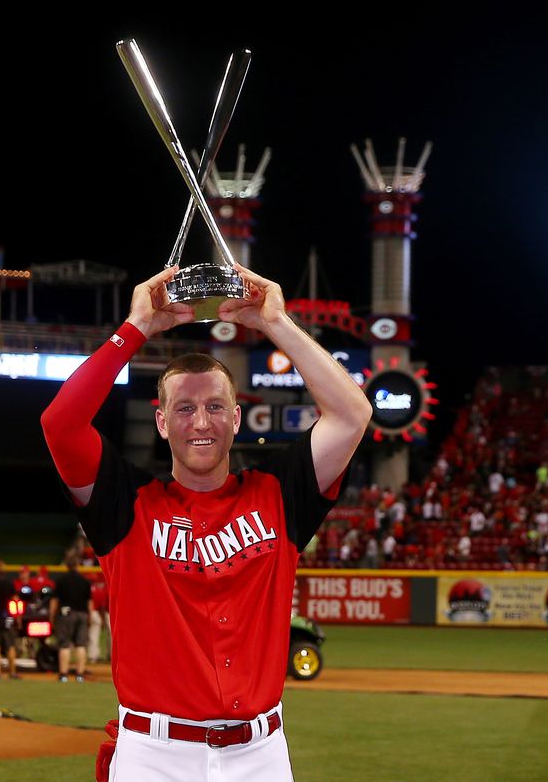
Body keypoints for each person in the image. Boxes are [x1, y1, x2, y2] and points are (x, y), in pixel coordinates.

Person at [40, 264, 371, 781]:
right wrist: (136, 329)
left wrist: (277, 324)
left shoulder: (278, 494)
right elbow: (59, 425)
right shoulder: (125, 503)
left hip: (259, 756)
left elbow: (352, 415)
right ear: (160, 420)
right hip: (154, 754)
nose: (200, 422)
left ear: (236, 419)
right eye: (185, 408)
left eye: (216, 407)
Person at [50, 551, 92, 683]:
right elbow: (89, 602)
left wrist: (52, 616)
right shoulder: (85, 581)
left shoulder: (61, 580)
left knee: (64, 644)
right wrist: (89, 615)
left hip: (66, 613)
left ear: (67, 565)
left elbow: (54, 601)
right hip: (82, 613)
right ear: (77, 565)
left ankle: (63, 674)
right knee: (81, 645)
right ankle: (80, 675)